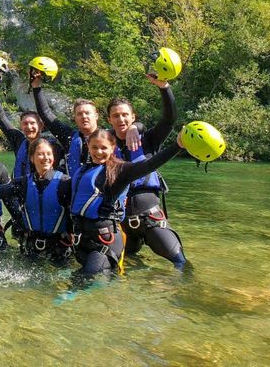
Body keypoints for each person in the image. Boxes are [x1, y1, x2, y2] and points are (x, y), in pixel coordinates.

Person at [69, 129, 184, 277]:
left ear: (112, 148)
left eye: (104, 147)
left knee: (84, 282)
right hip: (83, 241)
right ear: (88, 146)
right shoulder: (82, 171)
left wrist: (178, 146)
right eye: (94, 147)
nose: (99, 152)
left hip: (105, 241)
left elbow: (149, 165)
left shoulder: (121, 170)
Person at [107, 74, 185, 268]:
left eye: (125, 115)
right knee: (120, 268)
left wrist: (164, 87)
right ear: (109, 120)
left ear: (133, 117)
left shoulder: (149, 140)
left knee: (179, 262)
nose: (121, 119)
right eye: (116, 116)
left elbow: (169, 120)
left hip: (150, 219)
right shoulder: (103, 146)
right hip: (121, 224)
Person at [0, 138, 73, 264]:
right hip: (31, 248)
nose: (45, 158)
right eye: (40, 154)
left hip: (58, 249)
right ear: (32, 158)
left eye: (49, 154)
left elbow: (75, 213)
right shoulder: (23, 183)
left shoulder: (65, 182)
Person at [0, 75, 64, 179]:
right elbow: (0, 117)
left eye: (32, 123)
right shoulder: (18, 140)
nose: (29, 127)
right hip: (21, 190)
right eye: (25, 123)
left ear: (41, 125)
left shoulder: (50, 146)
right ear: (21, 126)